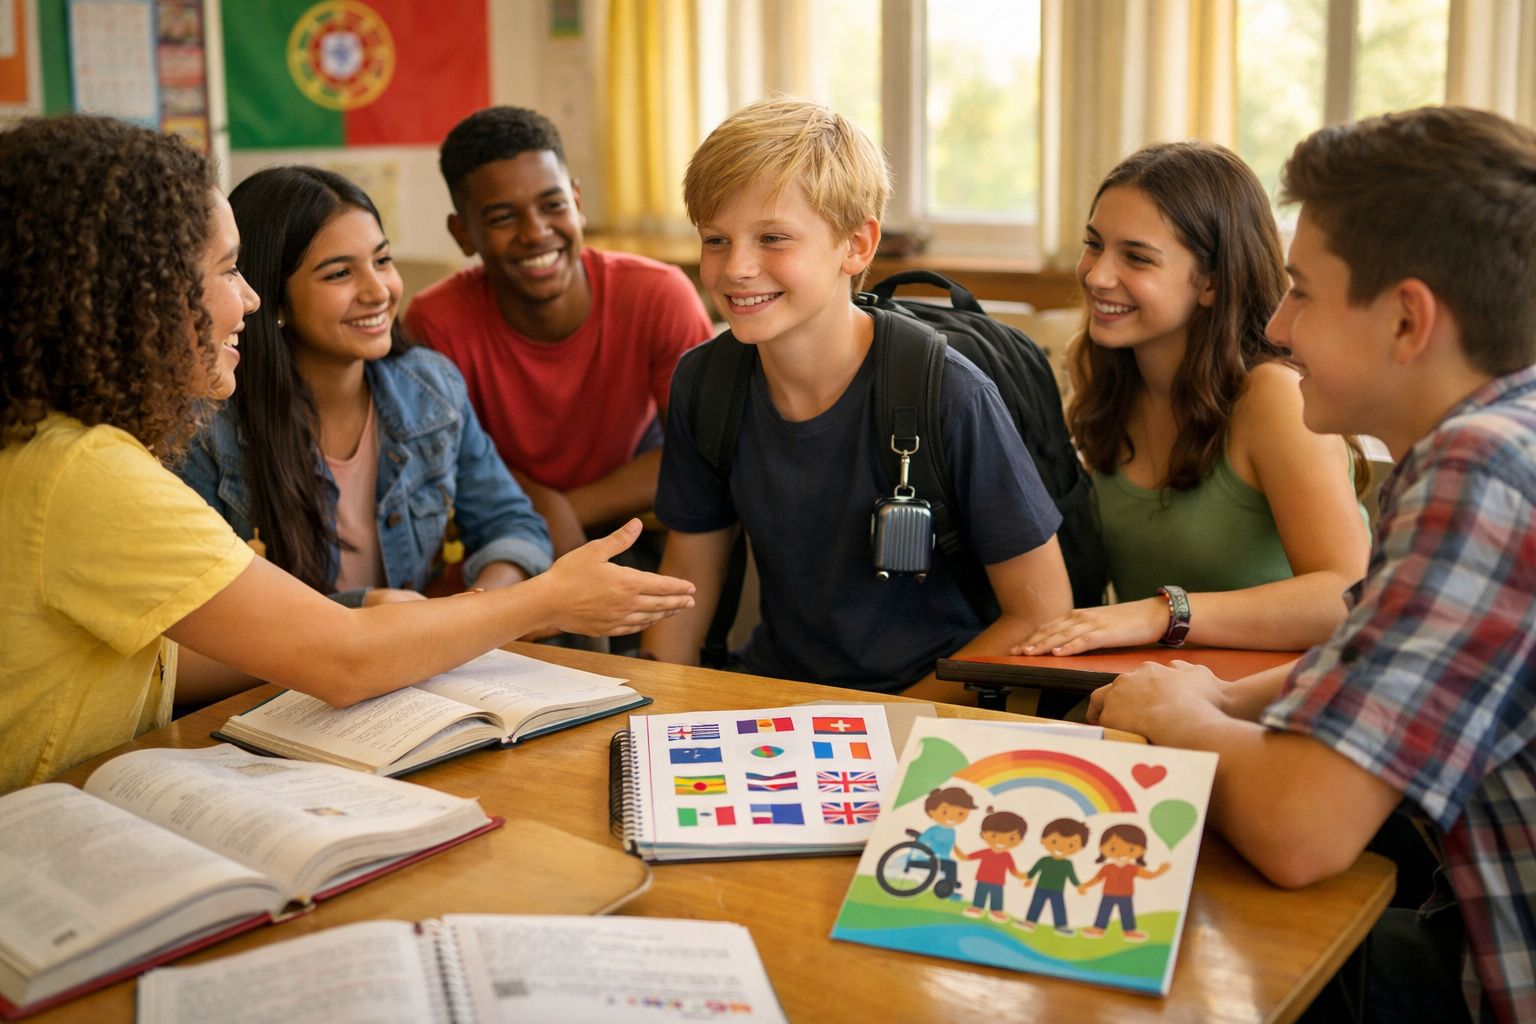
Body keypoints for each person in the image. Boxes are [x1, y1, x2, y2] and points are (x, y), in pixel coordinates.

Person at [0, 116, 694, 795]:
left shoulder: (44, 447)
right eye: (227, 270)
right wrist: (545, 599)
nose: (246, 297)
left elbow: (163, 656)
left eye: (383, 261)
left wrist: (438, 610)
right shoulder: (90, 471)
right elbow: (342, 659)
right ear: (137, 298)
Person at [1088, 106, 1536, 1024]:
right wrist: (1217, 697)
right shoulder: (1496, 438)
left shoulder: (1479, 469)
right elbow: (1373, 653)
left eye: (1303, 292)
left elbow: (1300, 831)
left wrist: (1177, 712)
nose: (1281, 325)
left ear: (1409, 319)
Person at [640, 98, 1072, 693]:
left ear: (857, 245)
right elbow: (688, 581)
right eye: (716, 240)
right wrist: (647, 708)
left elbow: (1043, 613)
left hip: (933, 708)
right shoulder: (705, 382)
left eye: (772, 238)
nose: (737, 267)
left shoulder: (949, 393)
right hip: (779, 697)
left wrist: (885, 725)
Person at [1017, 141, 1369, 658]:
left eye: (1135, 257)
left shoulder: (1273, 397)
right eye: (1094, 244)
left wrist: (1163, 612)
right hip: (1143, 696)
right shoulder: (1097, 368)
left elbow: (1347, 597)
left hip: (1269, 705)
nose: (1096, 275)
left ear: (1211, 282)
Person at [177, 166, 551, 608]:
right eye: (339, 274)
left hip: (412, 662)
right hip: (276, 672)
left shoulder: (429, 388)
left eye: (383, 260)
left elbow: (512, 524)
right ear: (273, 296)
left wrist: (476, 606)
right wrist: (365, 612)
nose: (379, 291)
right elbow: (203, 610)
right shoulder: (204, 426)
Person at [404, 105, 714, 557]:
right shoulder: (435, 321)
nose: (536, 233)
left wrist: (563, 510)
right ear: (463, 233)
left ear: (578, 202)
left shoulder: (658, 294)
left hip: (635, 518)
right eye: (502, 218)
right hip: (502, 524)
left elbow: (699, 457)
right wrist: (539, 515)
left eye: (552, 205)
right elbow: (452, 466)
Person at [1076, 824, 1169, 941]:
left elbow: (1149, 876)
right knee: (1104, 911)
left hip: (1126, 895)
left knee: (1127, 913)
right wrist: (1085, 885)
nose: (1120, 852)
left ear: (1142, 850)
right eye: (1113, 848)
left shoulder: (1132, 868)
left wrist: (1160, 871)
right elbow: (1097, 879)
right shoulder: (1107, 868)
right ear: (1102, 848)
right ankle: (1099, 928)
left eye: (1131, 849)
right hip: (1108, 894)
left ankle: (1129, 931)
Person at [956, 808, 1029, 922]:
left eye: (1011, 837)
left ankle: (996, 910)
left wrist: (1025, 876)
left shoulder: (1007, 856)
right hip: (982, 878)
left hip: (998, 881)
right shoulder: (985, 852)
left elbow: (1013, 871)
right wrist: (954, 847)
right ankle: (977, 907)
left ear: (1020, 840)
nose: (1001, 841)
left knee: (997, 897)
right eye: (994, 835)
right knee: (980, 893)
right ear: (983, 834)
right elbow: (966, 857)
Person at [1019, 817, 1090, 934]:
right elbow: (1034, 871)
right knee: (1036, 904)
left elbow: (1072, 877)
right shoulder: (1044, 860)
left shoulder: (1067, 864)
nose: (1061, 848)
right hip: (1041, 887)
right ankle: (1030, 922)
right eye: (1054, 841)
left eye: (1071, 845)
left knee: (1058, 907)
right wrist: (1029, 879)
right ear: (1043, 840)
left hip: (1057, 890)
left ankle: (1061, 925)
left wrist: (1078, 886)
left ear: (1081, 848)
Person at [915, 786, 977, 899]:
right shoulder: (934, 830)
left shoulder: (952, 831)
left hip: (943, 859)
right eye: (944, 811)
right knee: (951, 866)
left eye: (960, 813)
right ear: (932, 812)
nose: (953, 817)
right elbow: (921, 841)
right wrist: (918, 854)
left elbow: (953, 845)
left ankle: (951, 883)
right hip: (930, 858)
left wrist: (961, 855)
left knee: (951, 864)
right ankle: (949, 891)